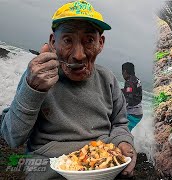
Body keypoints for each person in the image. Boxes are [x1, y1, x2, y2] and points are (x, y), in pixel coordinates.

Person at [0, 0, 136, 179]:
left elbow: (120, 124)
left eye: (89, 40)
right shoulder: (37, 77)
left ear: (100, 43)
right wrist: (32, 90)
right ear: (52, 42)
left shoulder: (107, 79)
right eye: (67, 40)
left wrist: (123, 141)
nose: (79, 55)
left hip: (102, 165)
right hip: (48, 166)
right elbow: (12, 137)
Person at [121, 62, 143, 131]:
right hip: (138, 113)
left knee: (122, 132)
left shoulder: (129, 82)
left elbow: (128, 99)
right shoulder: (136, 79)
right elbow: (133, 92)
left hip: (132, 114)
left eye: (122, 72)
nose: (122, 74)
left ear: (125, 71)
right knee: (125, 132)